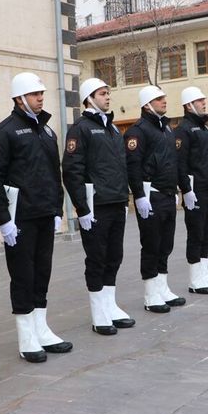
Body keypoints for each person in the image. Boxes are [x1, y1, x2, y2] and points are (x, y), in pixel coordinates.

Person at [0, 73, 72, 364]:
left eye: (41, 94)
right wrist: (4, 219)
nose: (40, 98)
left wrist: (58, 209)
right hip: (20, 219)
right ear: (19, 98)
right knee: (23, 276)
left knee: (42, 274)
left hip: (45, 214)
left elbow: (54, 174)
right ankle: (27, 337)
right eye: (35, 94)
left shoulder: (47, 132)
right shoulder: (3, 133)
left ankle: (41, 329)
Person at [62, 78, 134, 335]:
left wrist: (125, 198)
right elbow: (72, 171)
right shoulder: (80, 129)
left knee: (114, 256)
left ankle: (110, 305)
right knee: (97, 259)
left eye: (108, 93)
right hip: (96, 207)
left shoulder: (113, 129)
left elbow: (120, 167)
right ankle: (98, 313)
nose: (108, 97)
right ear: (89, 97)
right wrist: (82, 208)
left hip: (115, 202)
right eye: (103, 93)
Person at [125, 86, 185, 313]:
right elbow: (133, 166)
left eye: (163, 98)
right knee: (151, 244)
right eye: (158, 99)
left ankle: (162, 287)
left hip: (168, 194)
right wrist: (139, 196)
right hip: (151, 196)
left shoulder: (167, 129)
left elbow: (174, 162)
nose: (164, 101)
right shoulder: (137, 131)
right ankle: (151, 294)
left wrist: (180, 189)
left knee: (166, 245)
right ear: (147, 104)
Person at [175, 87, 208, 294]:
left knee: (207, 233)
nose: (204, 103)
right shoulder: (184, 129)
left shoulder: (204, 128)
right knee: (196, 233)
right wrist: (186, 189)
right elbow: (180, 163)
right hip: (197, 191)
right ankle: (195, 278)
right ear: (189, 105)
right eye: (200, 100)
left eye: (204, 99)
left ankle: (203, 272)